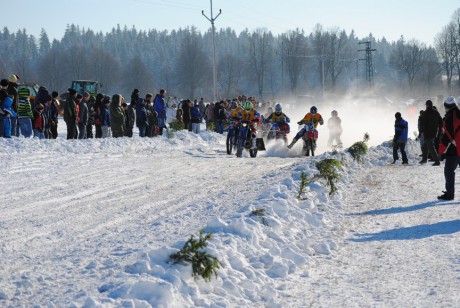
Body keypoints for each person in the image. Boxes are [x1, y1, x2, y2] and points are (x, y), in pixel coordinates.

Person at [437, 97, 460, 200]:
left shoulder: (450, 118)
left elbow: (447, 136)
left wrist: (441, 151)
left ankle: (450, 194)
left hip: (455, 149)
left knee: (449, 171)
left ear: (447, 107)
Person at [419, 100, 442, 165]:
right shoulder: (436, 112)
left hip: (427, 133)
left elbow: (422, 124)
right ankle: (424, 159)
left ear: (427, 105)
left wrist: (421, 132)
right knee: (425, 146)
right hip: (434, 132)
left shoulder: (425, 113)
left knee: (431, 147)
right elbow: (440, 121)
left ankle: (437, 161)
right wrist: (439, 129)